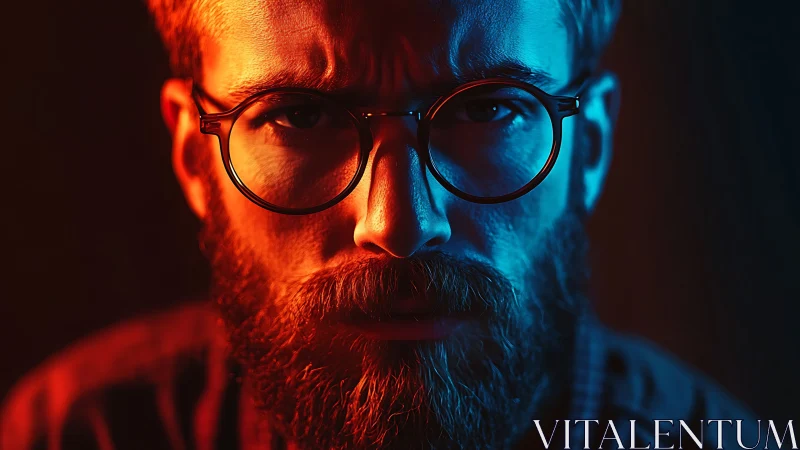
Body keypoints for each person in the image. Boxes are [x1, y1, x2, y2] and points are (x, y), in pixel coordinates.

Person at [1, 0, 758, 449]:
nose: (397, 224)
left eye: (486, 109)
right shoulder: (76, 433)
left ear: (589, 145)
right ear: (196, 161)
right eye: (301, 117)